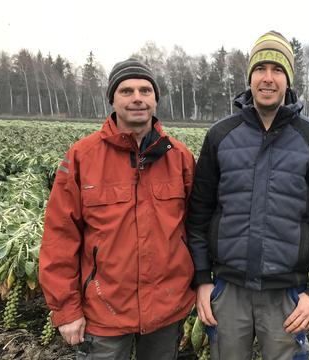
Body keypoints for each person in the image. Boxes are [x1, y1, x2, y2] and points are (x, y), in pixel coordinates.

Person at [186, 31, 309, 360]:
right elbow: (199, 213)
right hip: (229, 290)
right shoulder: (220, 136)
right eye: (260, 69)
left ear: (288, 79)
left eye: (277, 70)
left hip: (287, 293)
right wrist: (202, 279)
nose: (268, 78)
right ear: (249, 77)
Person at [39, 58, 195, 360]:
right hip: (104, 311)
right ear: (112, 99)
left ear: (155, 100)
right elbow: (60, 236)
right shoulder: (82, 156)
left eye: (145, 90)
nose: (137, 98)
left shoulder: (180, 157)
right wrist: (66, 309)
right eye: (126, 91)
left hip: (166, 309)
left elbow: (196, 227)